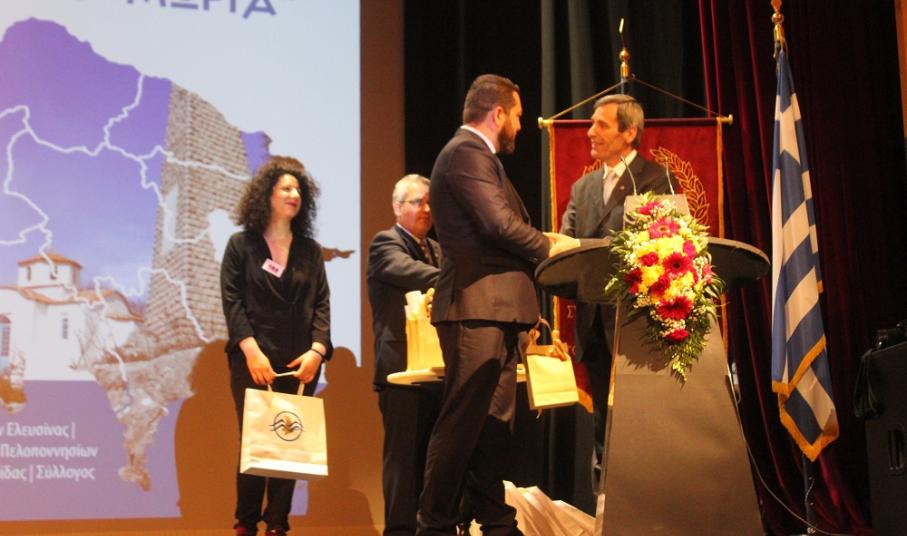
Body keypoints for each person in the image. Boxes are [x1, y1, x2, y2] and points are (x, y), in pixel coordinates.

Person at [415, 74, 576, 536]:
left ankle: (494, 519)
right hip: (475, 309)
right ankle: (435, 523)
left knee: (491, 427)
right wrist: (551, 246)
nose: (521, 126)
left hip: (498, 311)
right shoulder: (466, 153)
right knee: (462, 423)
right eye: (518, 116)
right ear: (497, 113)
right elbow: (498, 225)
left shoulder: (479, 158)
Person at [559, 94, 673, 489]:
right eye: (591, 123)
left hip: (637, 328)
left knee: (643, 425)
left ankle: (647, 501)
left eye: (601, 125)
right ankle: (606, 503)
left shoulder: (656, 180)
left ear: (629, 133)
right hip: (594, 328)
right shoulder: (583, 187)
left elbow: (659, 248)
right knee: (603, 428)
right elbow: (567, 247)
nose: (590, 132)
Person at [221, 155, 332, 536]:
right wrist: (252, 352)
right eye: (286, 188)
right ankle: (246, 523)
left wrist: (317, 351)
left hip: (300, 362)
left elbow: (322, 303)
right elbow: (232, 302)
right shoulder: (241, 245)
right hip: (253, 360)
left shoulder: (309, 250)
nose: (294, 194)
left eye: (298, 189)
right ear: (266, 194)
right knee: (255, 442)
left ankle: (277, 525)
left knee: (289, 442)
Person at [366, 174, 442, 535]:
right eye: (417, 202)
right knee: (403, 461)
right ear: (397, 207)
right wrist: (456, 277)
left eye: (429, 202)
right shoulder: (385, 243)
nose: (426, 209)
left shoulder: (437, 248)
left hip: (435, 370)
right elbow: (411, 272)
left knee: (432, 460)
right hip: (400, 372)